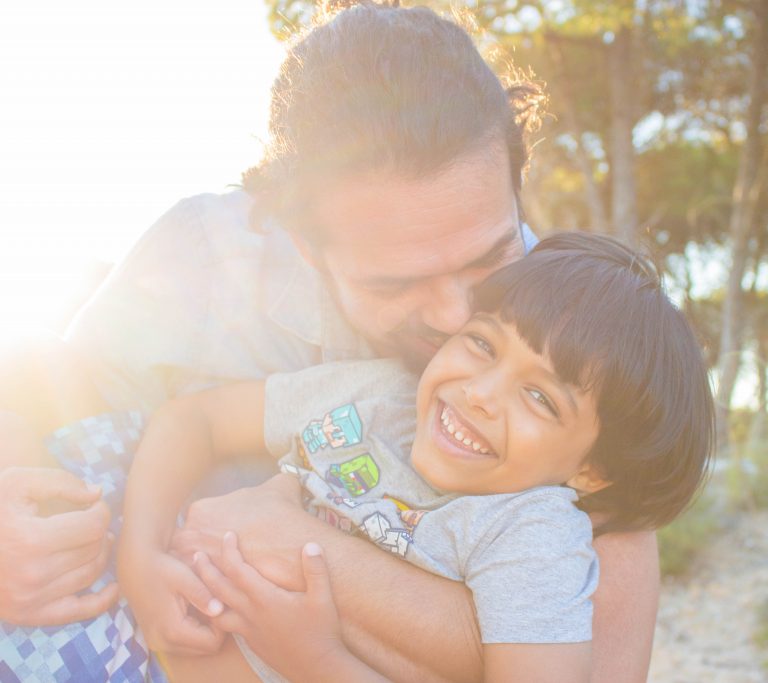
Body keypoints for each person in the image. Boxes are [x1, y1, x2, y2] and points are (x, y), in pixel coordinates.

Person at [0, 3, 663, 681]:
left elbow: (594, 652)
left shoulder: (560, 331)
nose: (455, 312)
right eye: (395, 283)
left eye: (486, 257)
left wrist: (293, 549)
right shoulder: (205, 255)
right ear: (303, 246)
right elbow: (45, 386)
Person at [118, 233, 715, 682]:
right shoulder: (375, 396)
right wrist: (139, 557)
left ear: (592, 470)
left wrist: (317, 660)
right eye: (482, 343)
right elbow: (194, 418)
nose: (480, 392)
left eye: (539, 397)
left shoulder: (532, 536)